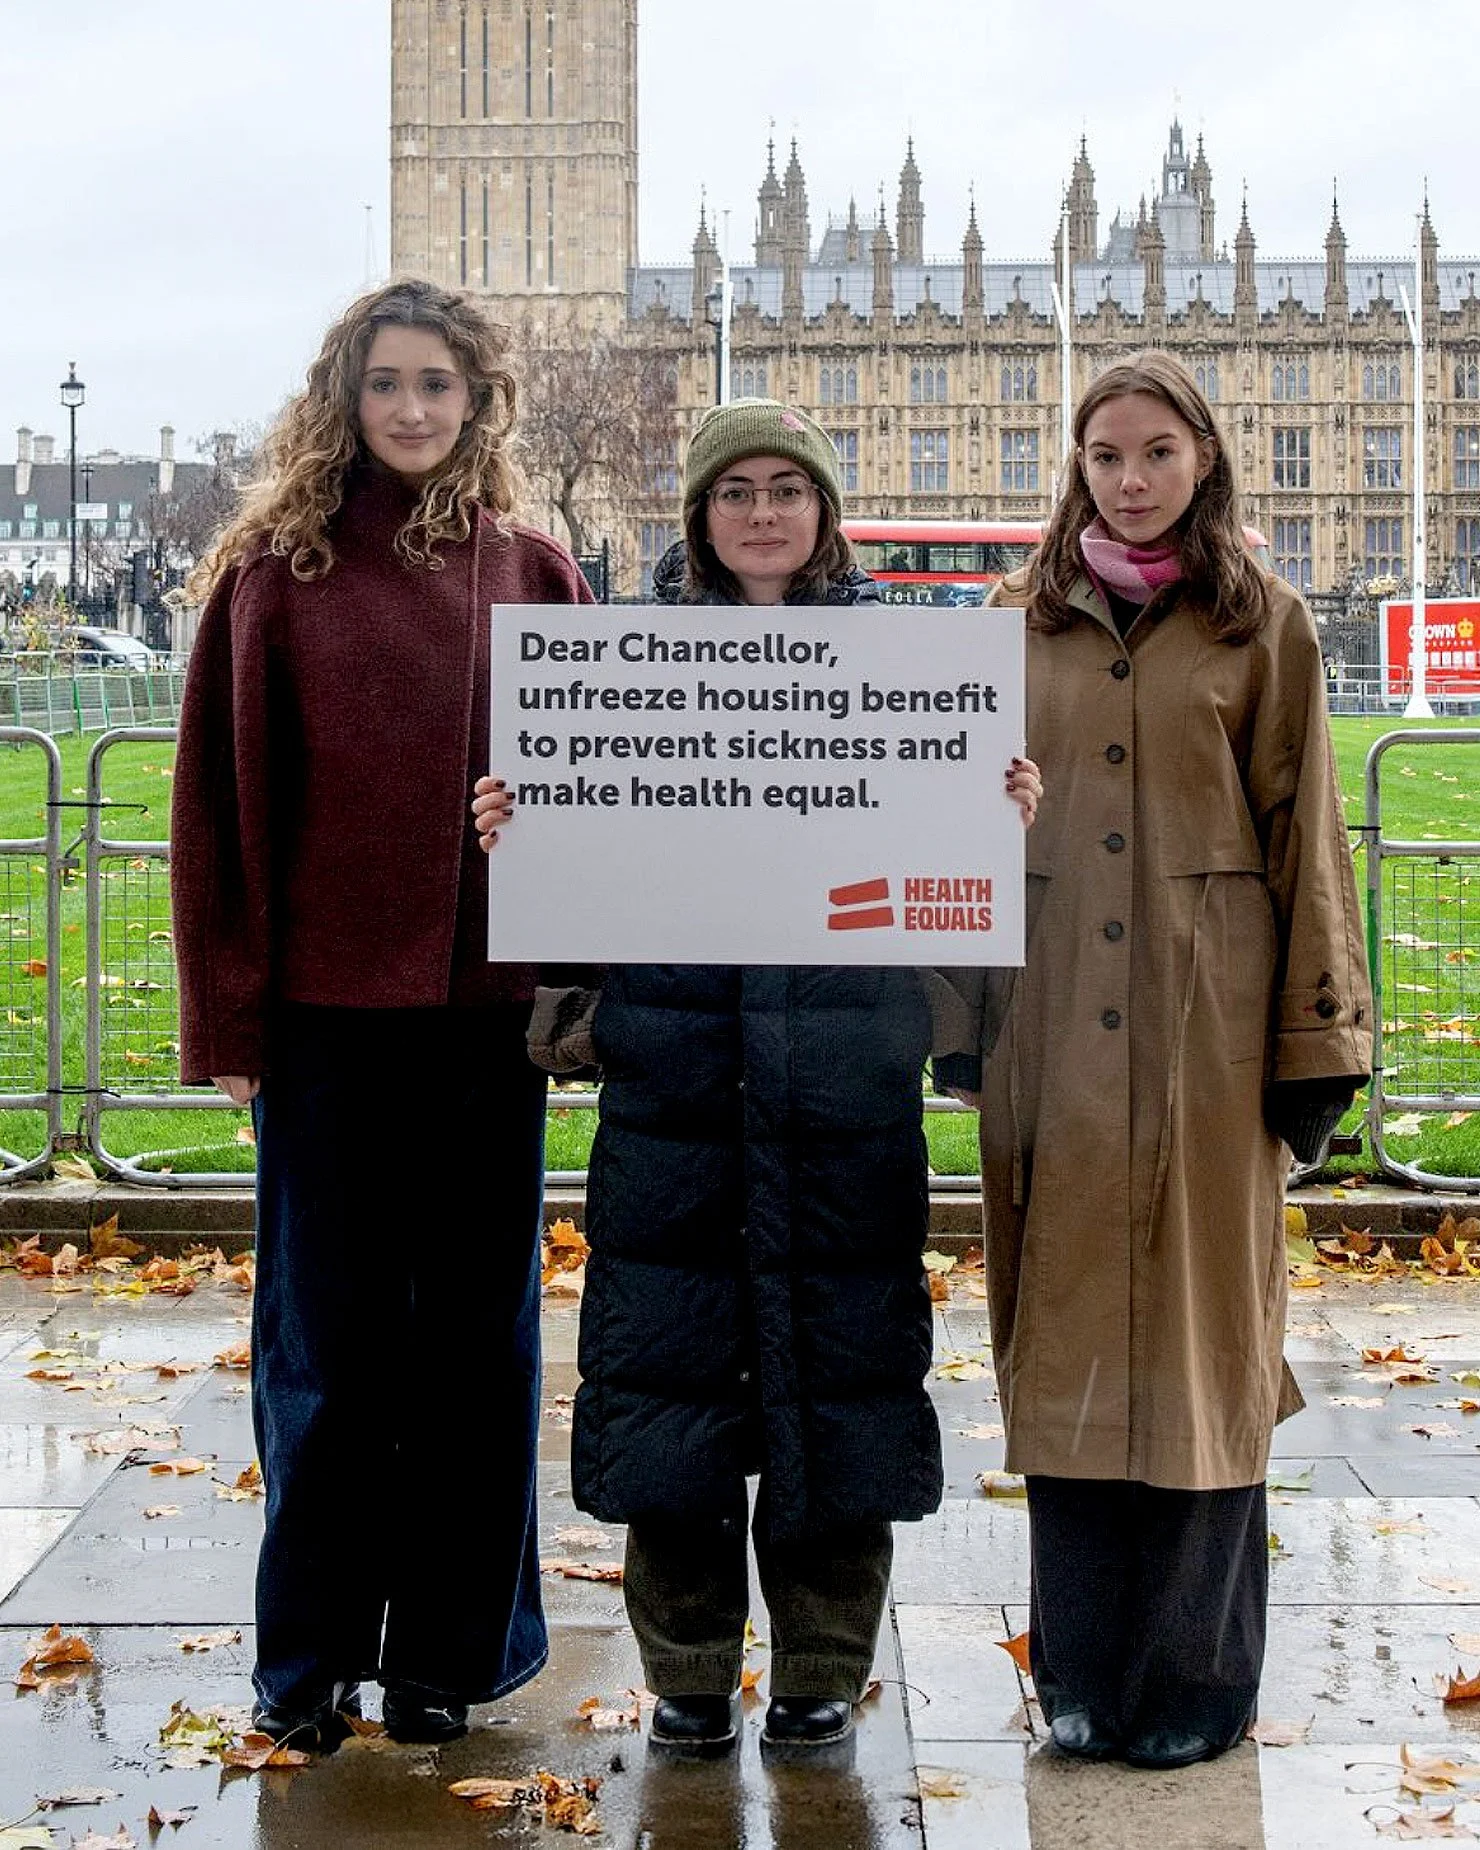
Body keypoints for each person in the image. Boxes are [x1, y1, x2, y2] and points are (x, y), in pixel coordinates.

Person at [475, 398, 1040, 1755]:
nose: (765, 512)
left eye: (790, 489)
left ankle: (822, 1663)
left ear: (825, 512)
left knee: (836, 1387)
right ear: (701, 515)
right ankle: (684, 1666)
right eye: (738, 491)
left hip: (841, 1086)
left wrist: (997, 806)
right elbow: (579, 897)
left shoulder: (906, 663)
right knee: (671, 1386)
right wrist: (521, 822)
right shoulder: (624, 666)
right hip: (679, 1082)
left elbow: (948, 879)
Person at [171, 278, 594, 1750]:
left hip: (483, 1020)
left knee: (477, 1353)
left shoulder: (534, 573)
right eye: (386, 384)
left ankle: (446, 1659)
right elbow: (219, 816)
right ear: (343, 400)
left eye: (438, 385)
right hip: (326, 1021)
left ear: (478, 404)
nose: (412, 409)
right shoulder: (274, 575)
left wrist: (557, 924)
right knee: (325, 1352)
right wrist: (229, 1026)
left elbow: (604, 797)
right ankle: (306, 1660)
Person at [933, 352, 1371, 1770]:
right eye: (1105, 455)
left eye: (1157, 453)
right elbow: (946, 834)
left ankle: (1196, 1675)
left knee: (1202, 1351)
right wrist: (957, 1019)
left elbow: (1308, 834)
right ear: (1077, 466)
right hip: (1049, 1014)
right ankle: (1078, 1668)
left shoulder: (1264, 623)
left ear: (1204, 460)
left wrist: (1319, 1042)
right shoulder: (1011, 625)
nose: (1129, 479)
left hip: (1208, 1026)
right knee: (1063, 1342)